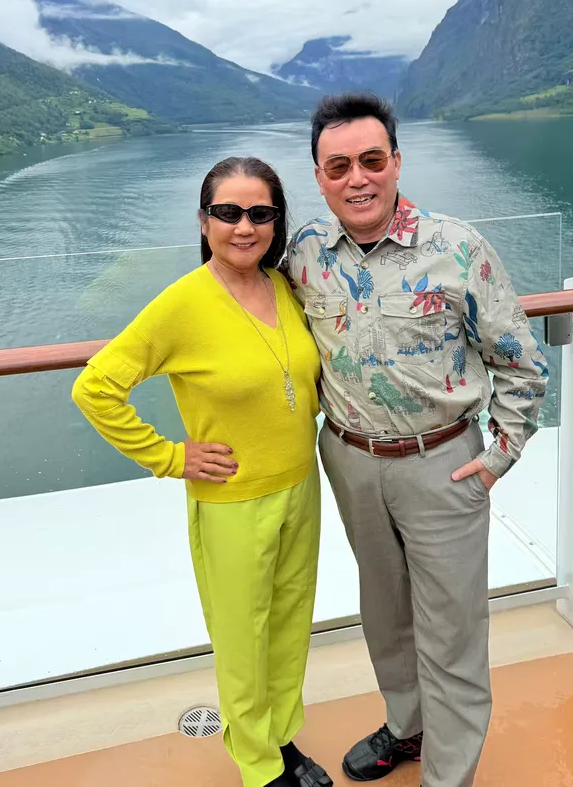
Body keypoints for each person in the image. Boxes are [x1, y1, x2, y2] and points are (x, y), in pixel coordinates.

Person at [283, 93, 548, 787]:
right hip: (349, 460)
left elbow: (522, 363)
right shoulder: (305, 254)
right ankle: (407, 726)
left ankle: (447, 776)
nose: (357, 178)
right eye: (339, 166)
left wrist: (495, 458)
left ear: (396, 162)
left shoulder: (457, 248)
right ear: (319, 177)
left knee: (451, 632)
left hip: (443, 464)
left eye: (372, 160)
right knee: (387, 616)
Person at [72, 157, 332, 787]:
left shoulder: (285, 289)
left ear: (276, 221)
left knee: (290, 628)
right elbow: (96, 388)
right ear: (203, 220)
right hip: (231, 501)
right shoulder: (183, 305)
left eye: (260, 213)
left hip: (301, 487)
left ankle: (281, 738)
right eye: (228, 212)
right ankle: (259, 766)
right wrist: (170, 457)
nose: (245, 227)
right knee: (243, 642)